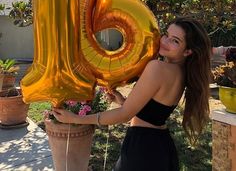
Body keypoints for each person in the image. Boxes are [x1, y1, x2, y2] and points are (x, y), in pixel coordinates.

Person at [52, 17, 212, 171]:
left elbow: (124, 115)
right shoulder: (182, 74)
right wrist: (123, 101)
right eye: (166, 35)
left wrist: (76, 119)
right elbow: (153, 113)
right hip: (160, 146)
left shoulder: (158, 68)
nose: (164, 41)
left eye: (175, 41)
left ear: (188, 51)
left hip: (143, 149)